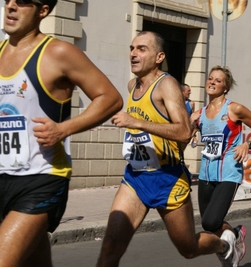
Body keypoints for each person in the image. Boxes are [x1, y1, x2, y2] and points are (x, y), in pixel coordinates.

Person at [96, 31, 238, 267]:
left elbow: (184, 131)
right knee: (110, 248)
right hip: (136, 177)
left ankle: (225, 245)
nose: (133, 53)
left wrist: (137, 122)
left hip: (168, 179)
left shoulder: (168, 85)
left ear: (159, 56)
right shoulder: (133, 84)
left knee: (188, 249)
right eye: (132, 48)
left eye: (142, 49)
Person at [0, 1, 123, 267]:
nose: (10, 6)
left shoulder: (58, 52)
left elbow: (110, 98)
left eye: (21, 1)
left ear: (42, 10)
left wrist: (63, 129)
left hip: (41, 178)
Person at [191, 65, 251, 266]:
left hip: (229, 172)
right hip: (206, 174)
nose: (212, 82)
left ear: (225, 87)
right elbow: (184, 137)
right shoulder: (199, 114)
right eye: (210, 78)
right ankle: (235, 235)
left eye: (218, 80)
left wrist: (248, 143)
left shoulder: (234, 109)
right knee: (208, 224)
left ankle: (232, 242)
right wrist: (189, 127)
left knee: (211, 221)